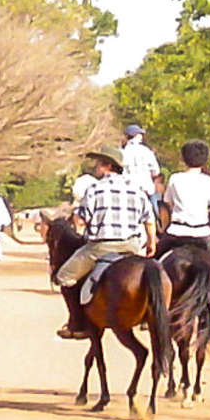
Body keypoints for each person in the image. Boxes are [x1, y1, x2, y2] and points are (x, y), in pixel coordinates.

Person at [53, 144, 157, 339]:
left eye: (99, 164)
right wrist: (151, 243)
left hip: (101, 247)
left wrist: (81, 222)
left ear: (108, 166)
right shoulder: (137, 189)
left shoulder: (95, 188)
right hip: (132, 246)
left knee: (64, 276)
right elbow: (149, 220)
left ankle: (77, 323)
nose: (96, 168)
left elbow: (82, 220)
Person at [156, 139, 210, 257]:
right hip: (201, 233)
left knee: (155, 261)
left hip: (177, 232)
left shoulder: (175, 178)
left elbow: (168, 203)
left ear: (184, 158)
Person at [121, 124, 164, 210]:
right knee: (154, 210)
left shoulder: (122, 152)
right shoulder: (146, 151)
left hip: (128, 189)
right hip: (146, 189)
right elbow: (156, 171)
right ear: (137, 136)